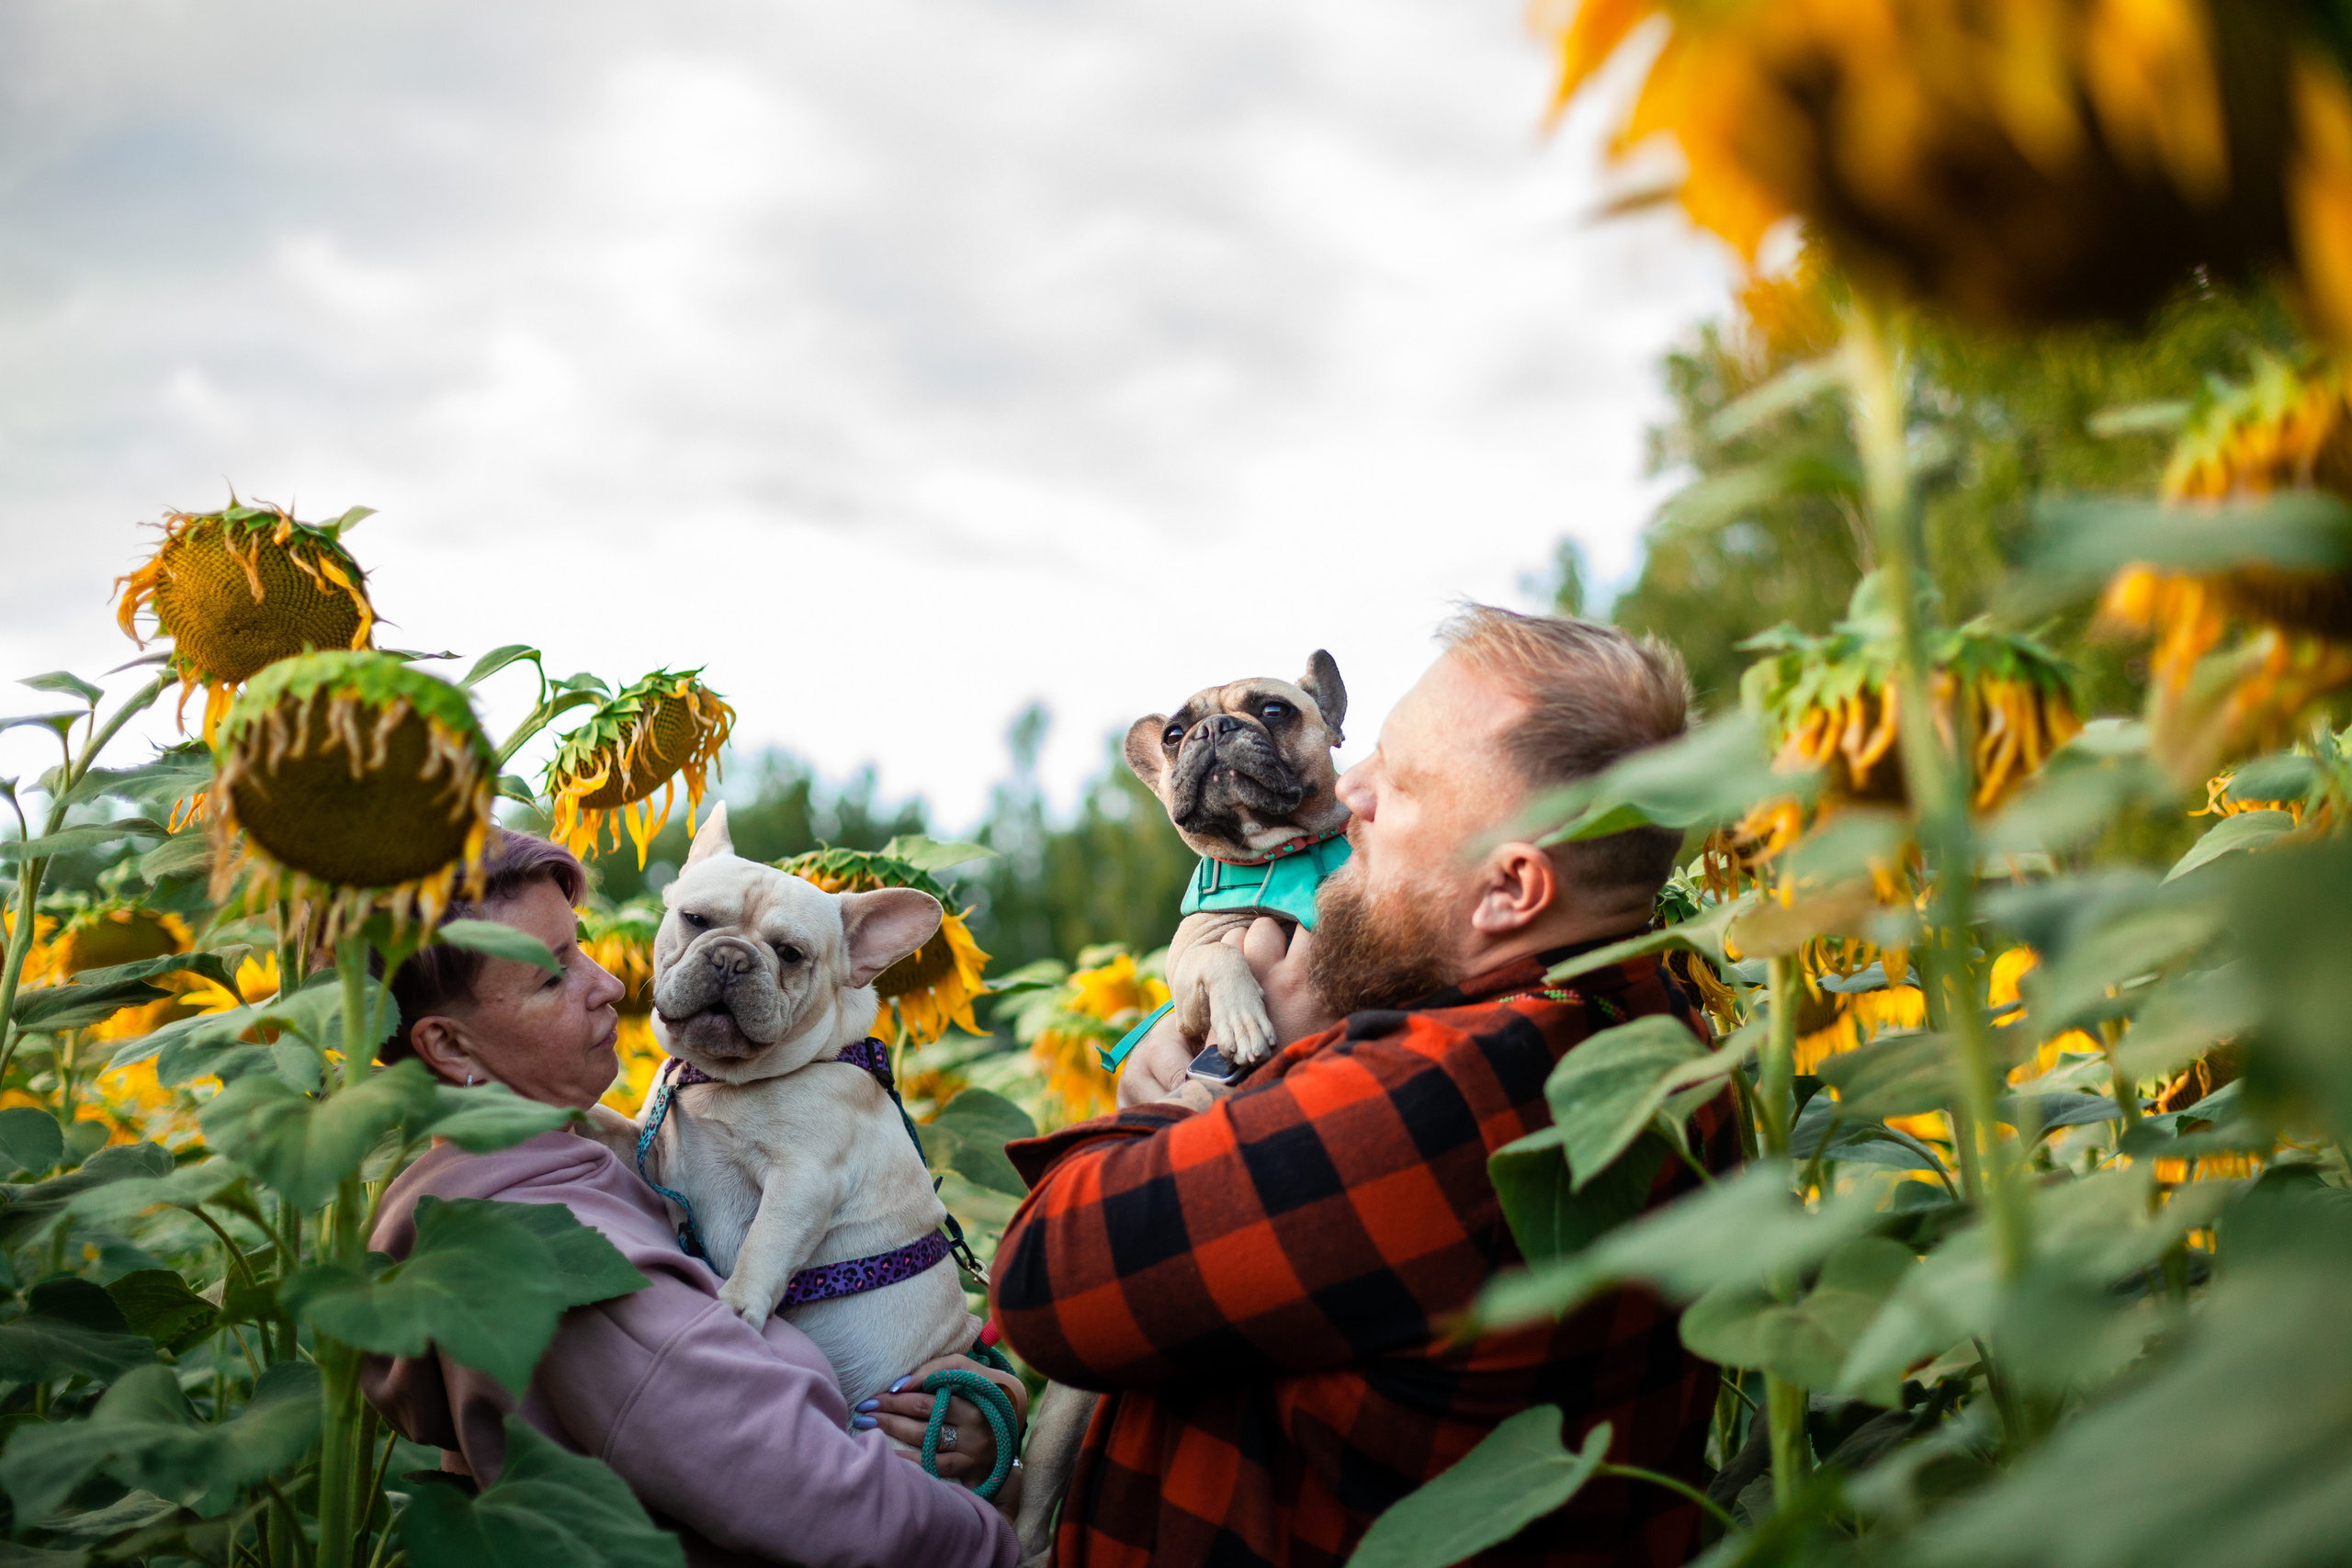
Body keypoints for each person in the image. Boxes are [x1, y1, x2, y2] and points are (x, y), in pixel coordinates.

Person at [992, 606, 1738, 1568]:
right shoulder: (1661, 1030)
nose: (1351, 791)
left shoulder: (1436, 1099)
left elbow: (1043, 1280)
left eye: (1401, 782)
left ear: (1511, 889)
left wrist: (1211, 1076)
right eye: (1368, 755)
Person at [359, 832, 1023, 1568]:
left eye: (584, 946)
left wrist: (992, 1402)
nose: (611, 984)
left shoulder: (560, 1163)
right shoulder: (571, 1265)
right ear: (451, 1047)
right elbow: (820, 1499)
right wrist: (998, 1542)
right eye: (553, 975)